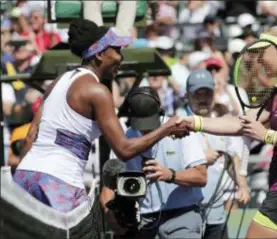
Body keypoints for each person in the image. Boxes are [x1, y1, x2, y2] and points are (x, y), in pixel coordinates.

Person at [12, 19, 188, 213]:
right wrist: (167, 128)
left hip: (25, 175)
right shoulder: (98, 91)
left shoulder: (59, 81)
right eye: (117, 50)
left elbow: (30, 137)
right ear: (100, 54)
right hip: (59, 182)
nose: (121, 58)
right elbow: (124, 149)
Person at [180, 25, 277, 239]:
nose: (259, 58)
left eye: (263, 51)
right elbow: (241, 124)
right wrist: (194, 122)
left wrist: (266, 135)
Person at [101, 87, 207, 239]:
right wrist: (111, 217)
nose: (146, 129)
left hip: (182, 215)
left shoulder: (180, 128)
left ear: (161, 111)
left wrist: (169, 174)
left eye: (150, 123)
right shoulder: (126, 139)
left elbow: (201, 176)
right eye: (141, 125)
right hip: (144, 222)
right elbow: (107, 188)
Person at [177, 69, 250, 239]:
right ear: (187, 95)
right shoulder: (178, 122)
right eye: (197, 94)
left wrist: (242, 186)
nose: (203, 99)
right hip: (187, 213)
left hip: (215, 212)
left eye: (207, 94)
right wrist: (201, 159)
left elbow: (232, 159)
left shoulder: (220, 123)